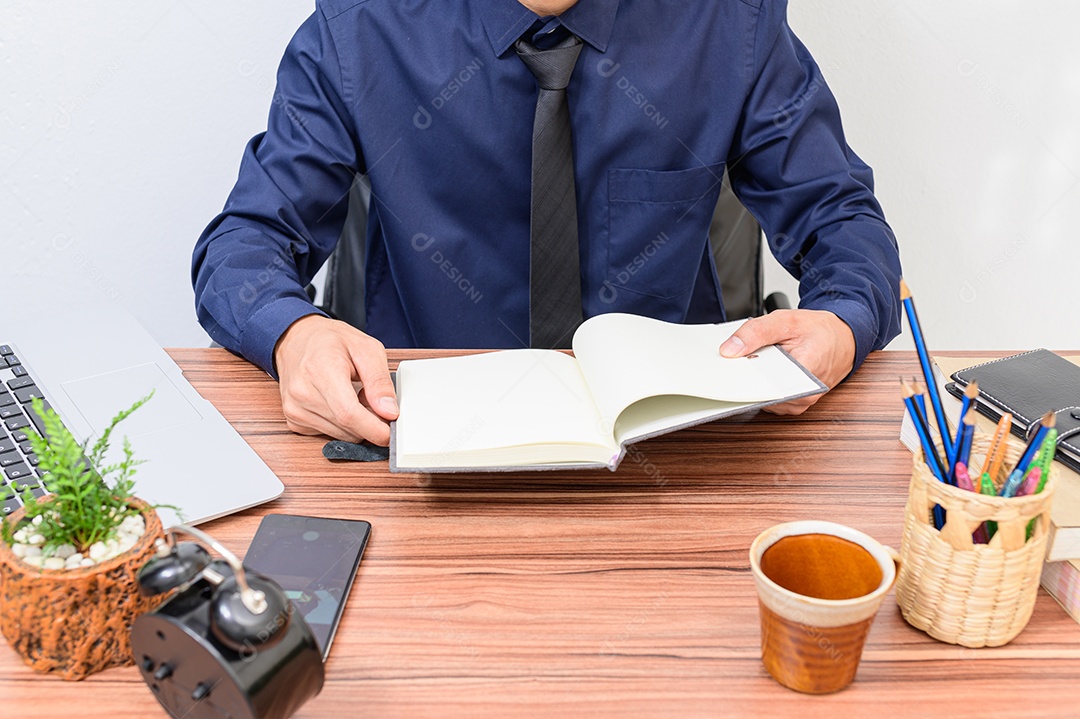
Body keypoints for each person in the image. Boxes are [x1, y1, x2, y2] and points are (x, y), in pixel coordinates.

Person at [192, 0, 902, 447]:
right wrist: (294, 333)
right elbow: (243, 245)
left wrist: (841, 321)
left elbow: (841, 218)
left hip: (673, 452)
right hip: (420, 440)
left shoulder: (730, 23)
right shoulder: (358, 29)